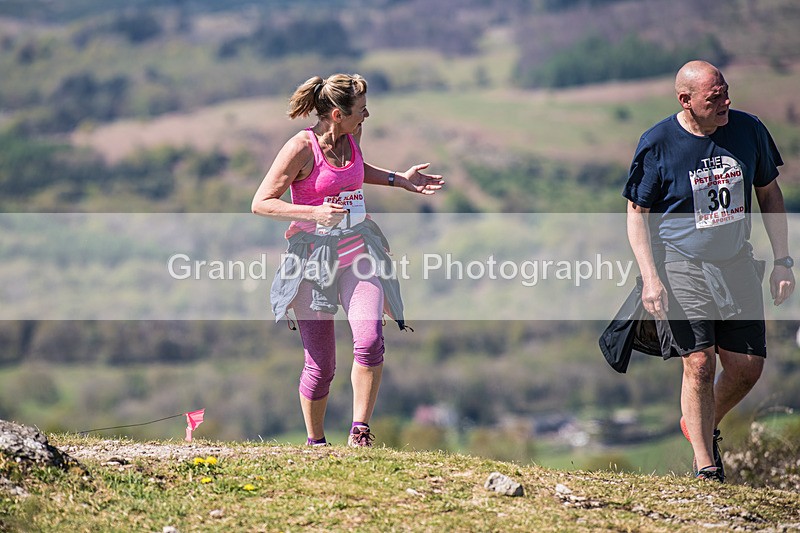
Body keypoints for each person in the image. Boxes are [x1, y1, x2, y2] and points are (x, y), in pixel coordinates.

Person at [623, 60, 794, 482]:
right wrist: (650, 276)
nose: (726, 103)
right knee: (698, 361)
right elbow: (636, 212)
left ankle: (695, 419)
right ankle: (706, 465)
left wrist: (783, 260)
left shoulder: (748, 129)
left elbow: (769, 193)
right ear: (686, 100)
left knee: (747, 366)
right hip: (681, 263)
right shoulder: (659, 142)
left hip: (736, 261)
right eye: (714, 98)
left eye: (726, 93)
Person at [251, 73, 443, 448]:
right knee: (321, 368)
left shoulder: (352, 137)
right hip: (311, 263)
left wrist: (397, 180)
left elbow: (356, 171)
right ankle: (316, 443)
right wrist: (314, 214)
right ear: (337, 114)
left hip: (358, 252)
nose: (367, 115)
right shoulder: (300, 148)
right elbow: (260, 203)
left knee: (370, 341)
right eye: (361, 110)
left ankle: (360, 432)